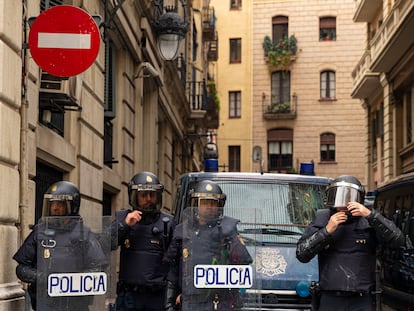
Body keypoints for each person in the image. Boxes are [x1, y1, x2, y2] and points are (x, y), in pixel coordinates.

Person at [296, 175, 405, 311]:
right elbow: (302, 254)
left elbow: (398, 240)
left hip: (361, 299)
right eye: (337, 196)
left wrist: (371, 215)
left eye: (348, 198)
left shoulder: (369, 220)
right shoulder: (323, 218)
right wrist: (326, 231)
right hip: (331, 299)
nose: (342, 204)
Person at [13, 181, 107, 311]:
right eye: (52, 204)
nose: (55, 208)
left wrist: (74, 281)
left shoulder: (83, 234)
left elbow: (99, 266)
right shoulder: (39, 232)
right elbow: (21, 268)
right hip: (45, 303)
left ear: (72, 206)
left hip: (75, 304)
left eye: (60, 204)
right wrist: (42, 277)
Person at [164, 180, 253, 311]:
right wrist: (169, 302)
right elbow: (173, 270)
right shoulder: (182, 231)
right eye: (204, 202)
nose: (209, 207)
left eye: (213, 203)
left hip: (219, 302)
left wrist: (230, 238)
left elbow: (244, 260)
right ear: (196, 204)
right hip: (191, 302)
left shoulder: (227, 229)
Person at [112, 171, 174, 311]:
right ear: (135, 197)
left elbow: (176, 261)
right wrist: (124, 225)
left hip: (156, 297)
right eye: (143, 195)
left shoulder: (168, 223)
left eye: (152, 195)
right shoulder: (123, 218)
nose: (148, 199)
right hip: (129, 297)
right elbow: (106, 244)